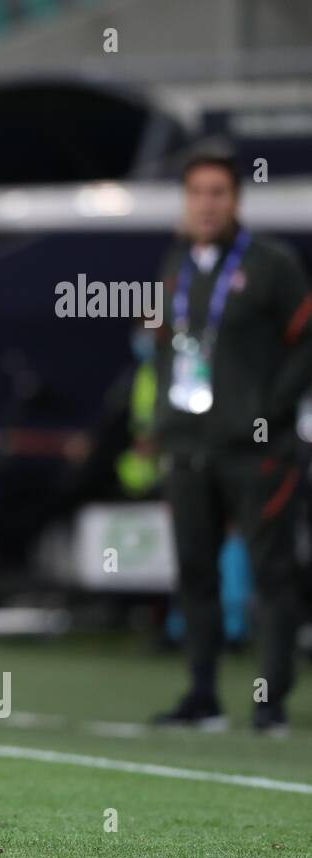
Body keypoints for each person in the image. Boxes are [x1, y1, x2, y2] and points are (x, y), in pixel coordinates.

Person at [150, 141, 312, 736]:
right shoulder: (174, 265)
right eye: (196, 193)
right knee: (195, 572)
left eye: (218, 192)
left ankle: (269, 703)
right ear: (185, 201)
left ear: (237, 198)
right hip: (190, 447)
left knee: (271, 575)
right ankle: (202, 695)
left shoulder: (272, 264)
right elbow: (168, 350)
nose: (207, 204)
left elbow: (308, 339)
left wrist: (270, 408)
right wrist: (161, 426)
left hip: (259, 448)